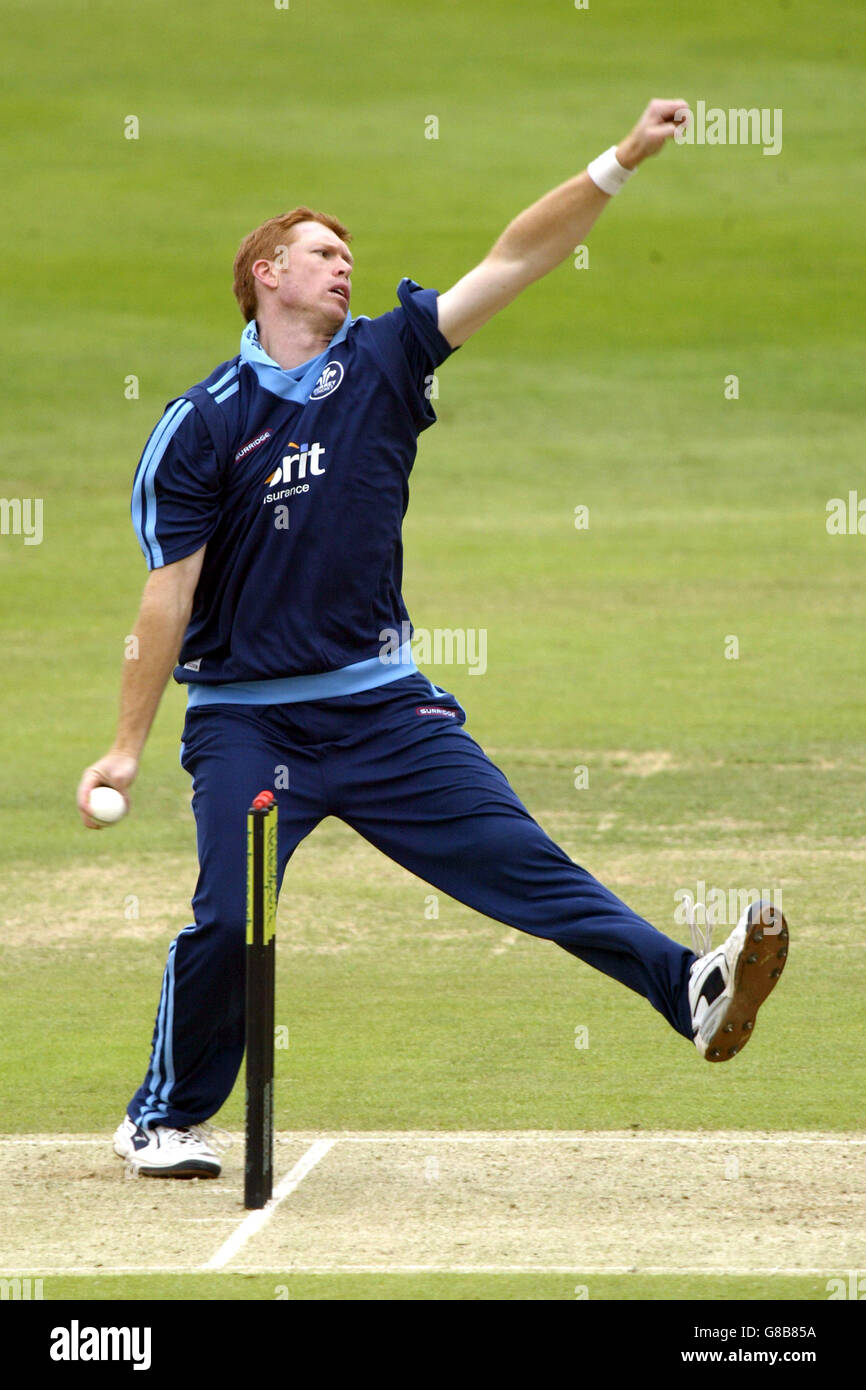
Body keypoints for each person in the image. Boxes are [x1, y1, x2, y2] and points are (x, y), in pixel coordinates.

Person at [77, 99, 788, 1179]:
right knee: (231, 923)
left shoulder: (383, 362)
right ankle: (163, 1113)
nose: (342, 267)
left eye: (348, 254)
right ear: (264, 272)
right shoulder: (204, 421)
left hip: (381, 712)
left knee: (526, 865)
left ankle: (689, 987)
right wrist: (127, 745)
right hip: (248, 726)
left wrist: (619, 160)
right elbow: (165, 598)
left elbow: (516, 257)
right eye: (319, 253)